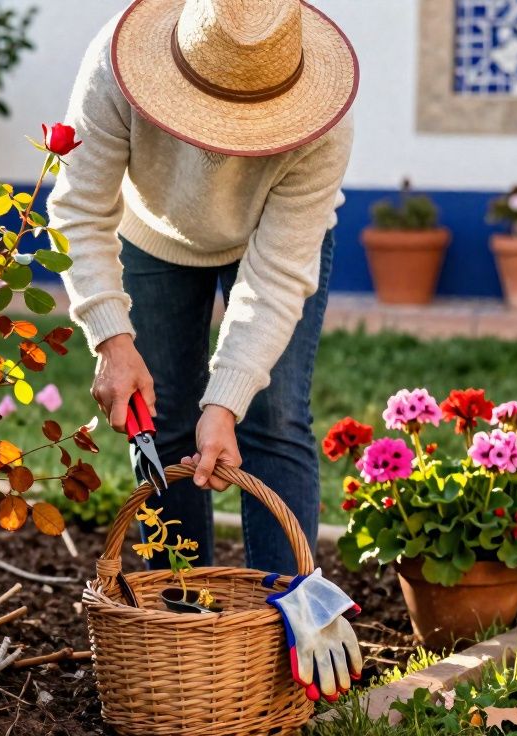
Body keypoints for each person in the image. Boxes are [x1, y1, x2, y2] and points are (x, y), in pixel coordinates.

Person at [48, 0, 359, 575]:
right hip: (152, 233)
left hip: (271, 241)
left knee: (274, 421)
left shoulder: (326, 124)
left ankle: (286, 614)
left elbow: (277, 279)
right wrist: (111, 341)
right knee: (164, 421)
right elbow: (79, 210)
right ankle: (182, 607)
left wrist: (225, 403)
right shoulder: (115, 65)